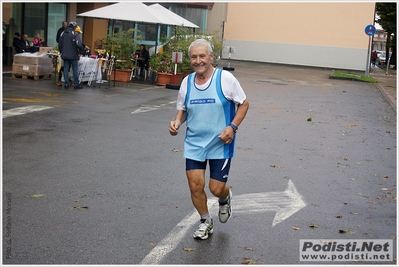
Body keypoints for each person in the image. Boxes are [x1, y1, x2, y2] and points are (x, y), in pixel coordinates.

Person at [168, 39, 249, 240]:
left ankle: (224, 198)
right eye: (194, 57)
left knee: (216, 188)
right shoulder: (187, 82)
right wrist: (177, 121)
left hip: (221, 143)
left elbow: (244, 103)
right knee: (195, 185)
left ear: (211, 57)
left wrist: (232, 127)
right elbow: (183, 108)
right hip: (194, 143)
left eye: (202, 56)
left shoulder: (225, 79)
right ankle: (205, 221)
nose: (198, 61)